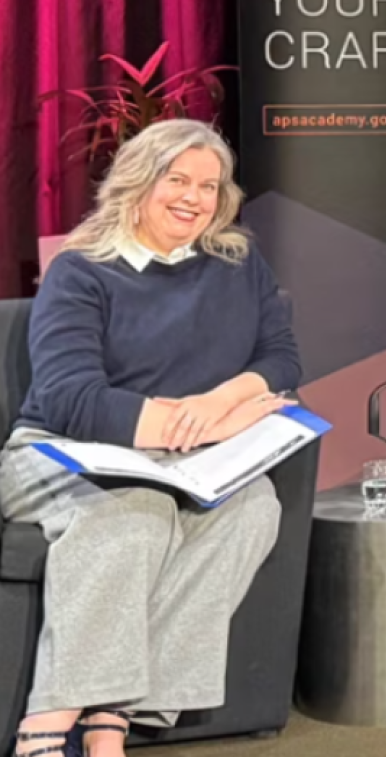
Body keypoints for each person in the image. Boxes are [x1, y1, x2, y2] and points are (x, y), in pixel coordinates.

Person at [2, 119, 300, 757]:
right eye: (179, 180)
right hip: (58, 454)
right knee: (136, 515)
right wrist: (200, 427)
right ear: (139, 181)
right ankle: (49, 723)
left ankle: (116, 711)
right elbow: (69, 399)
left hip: (182, 461)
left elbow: (281, 359)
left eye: (211, 186)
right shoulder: (82, 271)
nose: (195, 198)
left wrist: (221, 401)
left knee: (253, 511)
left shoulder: (237, 261)